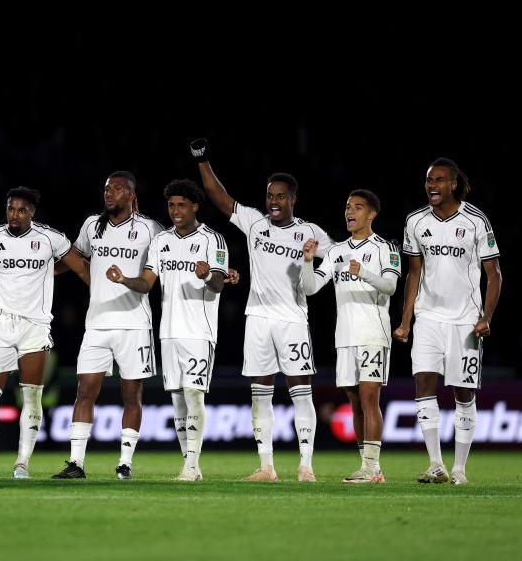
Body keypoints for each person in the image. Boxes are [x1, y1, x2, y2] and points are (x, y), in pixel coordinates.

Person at [193, 138, 333, 482]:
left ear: (293, 200)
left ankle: (306, 466)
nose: (273, 201)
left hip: (292, 320)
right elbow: (219, 196)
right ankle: (267, 466)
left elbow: (338, 258)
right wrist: (201, 160)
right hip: (257, 318)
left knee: (301, 391)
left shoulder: (311, 232)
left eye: (280, 196)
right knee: (261, 393)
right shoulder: (255, 223)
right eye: (270, 195)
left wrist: (318, 271)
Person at [105, 179, 233, 481]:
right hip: (169, 332)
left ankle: (192, 465)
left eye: (181, 205)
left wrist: (207, 276)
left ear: (195, 207)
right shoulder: (161, 241)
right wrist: (125, 279)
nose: (175, 210)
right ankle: (187, 463)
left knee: (194, 396)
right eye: (171, 205)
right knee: (177, 400)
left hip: (199, 331)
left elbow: (218, 284)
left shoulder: (213, 239)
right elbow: (147, 283)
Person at [0, 186, 90, 479]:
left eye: (21, 210)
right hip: (0, 324)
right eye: (10, 209)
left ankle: (22, 465)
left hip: (35, 325)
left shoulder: (50, 239)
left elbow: (81, 269)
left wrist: (103, 295)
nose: (15, 215)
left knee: (31, 397)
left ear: (32, 211)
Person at [393, 158, 501, 485]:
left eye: (439, 180)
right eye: (429, 180)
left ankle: (460, 470)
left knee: (464, 393)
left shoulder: (475, 221)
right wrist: (406, 320)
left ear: (453, 184)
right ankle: (436, 464)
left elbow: (494, 275)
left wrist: (486, 317)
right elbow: (414, 273)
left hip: (466, 321)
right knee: (423, 384)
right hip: (428, 317)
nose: (432, 186)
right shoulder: (415, 221)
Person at [51, 171, 163, 480]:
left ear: (131, 194)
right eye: (106, 189)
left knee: (131, 395)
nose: (109, 193)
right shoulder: (92, 225)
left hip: (134, 324)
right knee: (84, 391)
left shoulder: (149, 229)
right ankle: (76, 463)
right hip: (97, 322)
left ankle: (125, 463)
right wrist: (40, 271)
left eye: (116, 189)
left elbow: (157, 273)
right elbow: (78, 261)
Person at [300, 190, 399, 483]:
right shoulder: (336, 252)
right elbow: (311, 287)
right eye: (347, 207)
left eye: (358, 207)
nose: (350, 212)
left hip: (373, 333)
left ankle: (372, 466)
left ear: (372, 214)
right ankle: (367, 466)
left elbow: (391, 286)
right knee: (354, 402)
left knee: (370, 398)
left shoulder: (385, 248)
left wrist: (364, 272)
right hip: (344, 336)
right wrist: (307, 261)